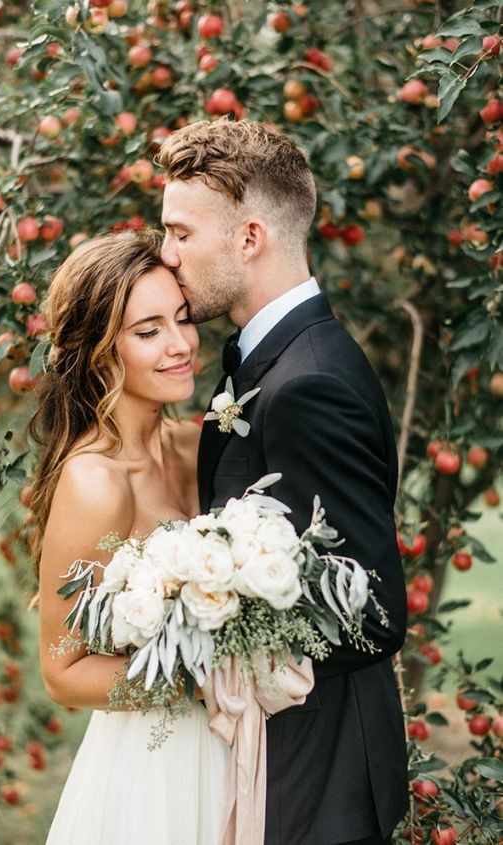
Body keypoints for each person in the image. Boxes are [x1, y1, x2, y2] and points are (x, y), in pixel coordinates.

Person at [158, 119, 409, 845]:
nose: (166, 255)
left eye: (180, 233)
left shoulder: (309, 383)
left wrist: (207, 626)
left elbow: (375, 612)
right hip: (290, 765)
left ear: (249, 238)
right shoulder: (271, 361)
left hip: (319, 784)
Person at [30, 232, 229, 845]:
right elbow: (63, 673)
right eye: (148, 331)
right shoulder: (95, 483)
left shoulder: (200, 445)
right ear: (98, 352)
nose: (181, 346)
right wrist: (204, 683)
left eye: (183, 319)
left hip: (238, 754)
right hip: (152, 769)